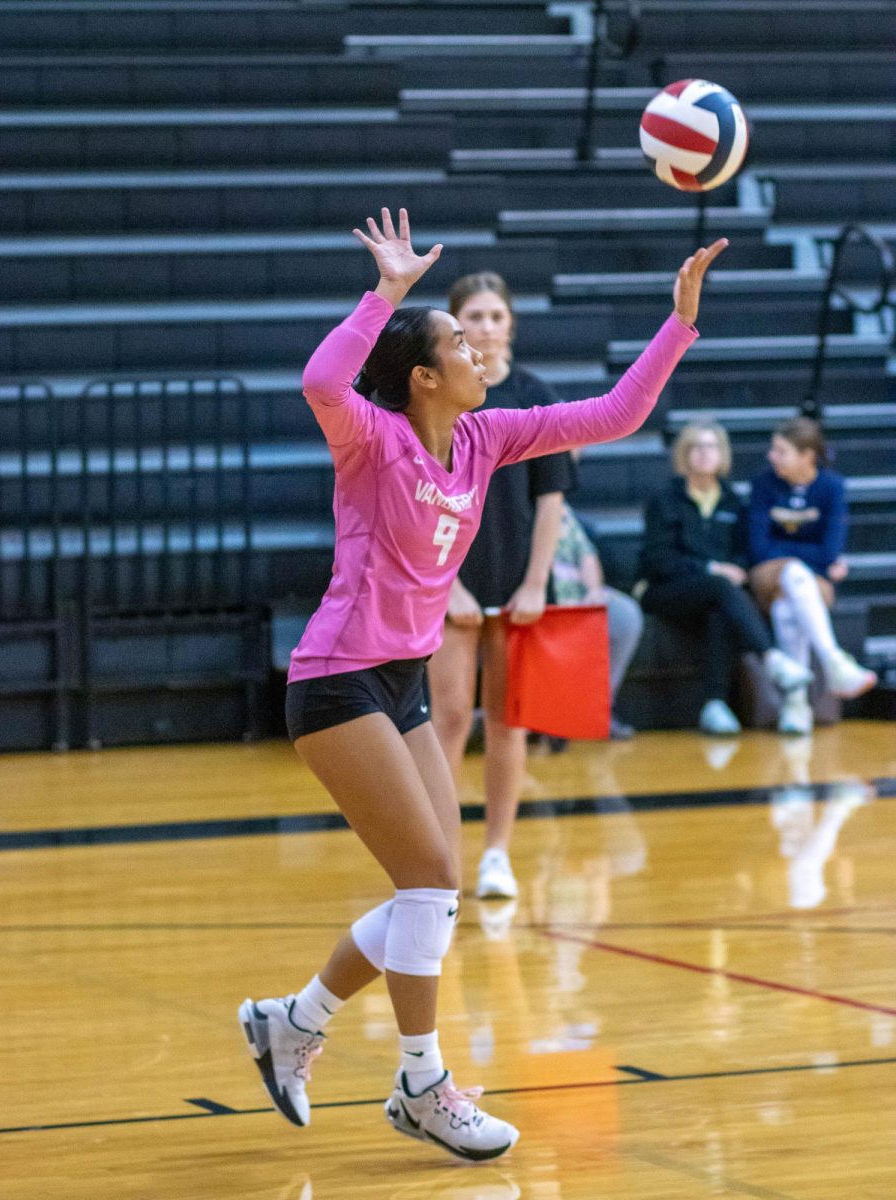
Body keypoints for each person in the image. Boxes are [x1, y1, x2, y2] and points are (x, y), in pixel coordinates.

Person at [238, 207, 724, 1162]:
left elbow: (614, 416)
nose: (479, 348)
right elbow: (319, 378)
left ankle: (293, 1019)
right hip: (337, 679)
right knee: (427, 880)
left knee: (437, 886)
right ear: (424, 376)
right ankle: (421, 1080)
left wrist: (679, 321)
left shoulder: (487, 438)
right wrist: (388, 294)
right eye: (460, 340)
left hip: (400, 679)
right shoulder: (373, 439)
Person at [427, 271, 574, 904]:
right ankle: (437, 862)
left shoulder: (536, 396)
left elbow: (551, 501)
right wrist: (447, 584)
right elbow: (419, 500)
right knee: (451, 716)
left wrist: (538, 581)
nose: (487, 326)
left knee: (511, 722)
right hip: (449, 585)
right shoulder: (441, 399)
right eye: (474, 318)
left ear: (511, 322)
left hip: (517, 584)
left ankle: (496, 855)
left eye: (496, 315)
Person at [638, 420, 813, 735]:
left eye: (712, 447)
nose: (705, 454)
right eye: (697, 447)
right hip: (666, 590)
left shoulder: (734, 502)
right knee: (720, 586)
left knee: (721, 608)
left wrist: (734, 569)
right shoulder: (664, 500)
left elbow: (743, 555)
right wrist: (708, 569)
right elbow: (658, 560)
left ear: (723, 454)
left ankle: (715, 704)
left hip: (716, 596)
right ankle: (771, 657)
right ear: (684, 454)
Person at [748, 416, 877, 735]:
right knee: (792, 574)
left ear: (807, 456)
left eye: (780, 451)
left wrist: (794, 553)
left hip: (808, 583)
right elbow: (758, 548)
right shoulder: (764, 485)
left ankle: (796, 704)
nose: (771, 456)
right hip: (768, 575)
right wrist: (810, 559)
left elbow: (831, 550)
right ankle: (833, 660)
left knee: (787, 606)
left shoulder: (832, 487)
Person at [552, 501, 644, 740]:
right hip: (539, 596)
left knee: (625, 614)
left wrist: (593, 589)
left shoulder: (564, 508)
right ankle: (540, 717)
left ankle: (597, 708)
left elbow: (586, 554)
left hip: (577, 594)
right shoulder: (515, 503)